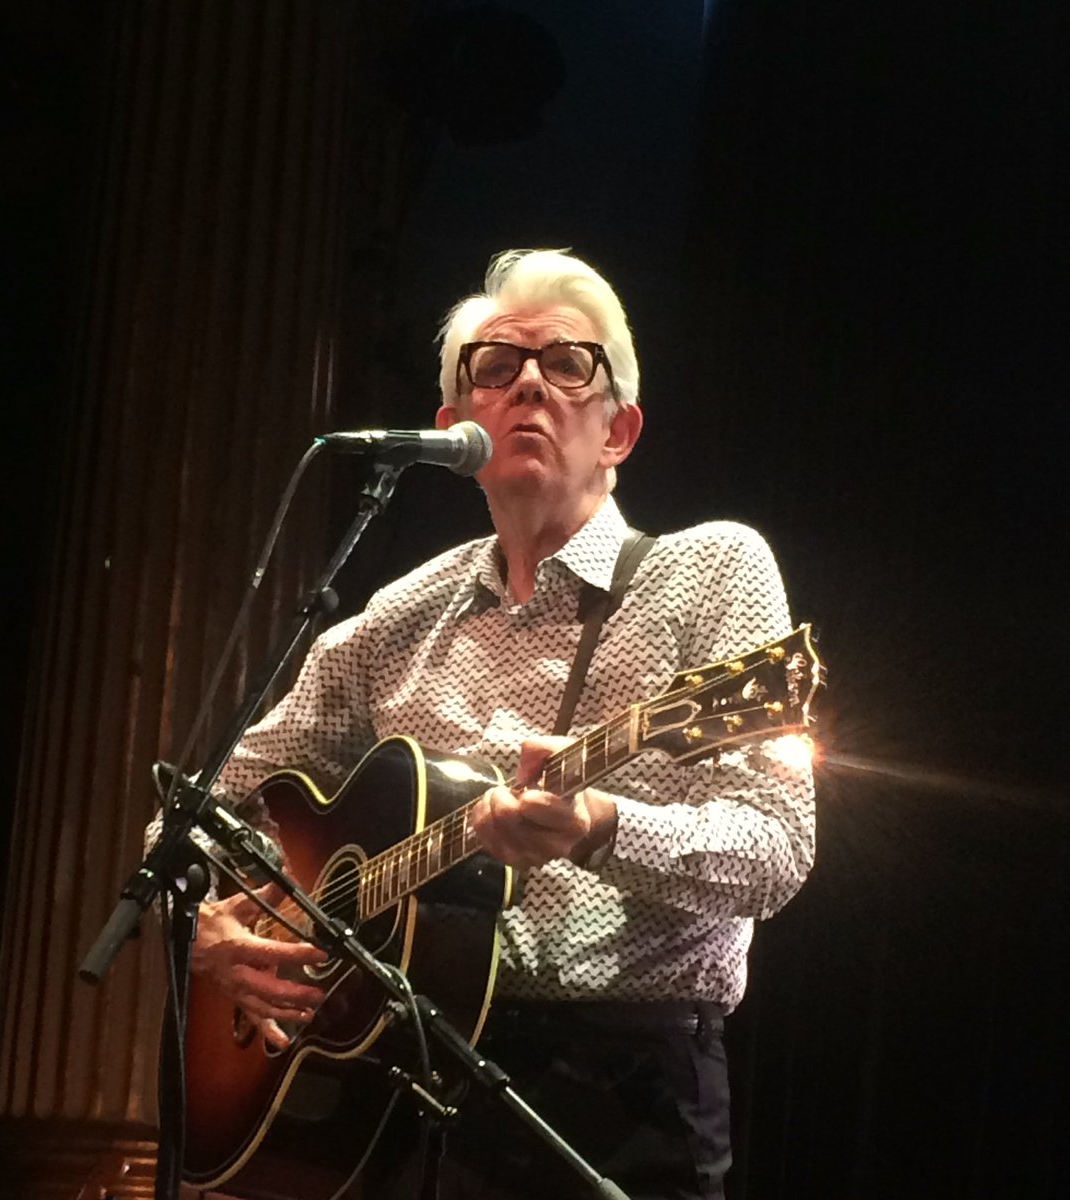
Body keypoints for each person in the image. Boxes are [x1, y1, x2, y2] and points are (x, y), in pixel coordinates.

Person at [183, 249, 815, 1199]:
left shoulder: (711, 572)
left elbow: (776, 850)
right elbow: (197, 809)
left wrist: (600, 825)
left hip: (624, 1090)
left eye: (569, 365)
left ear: (620, 430)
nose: (529, 381)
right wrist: (212, 924)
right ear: (454, 428)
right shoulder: (397, 618)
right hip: (396, 1077)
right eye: (496, 366)